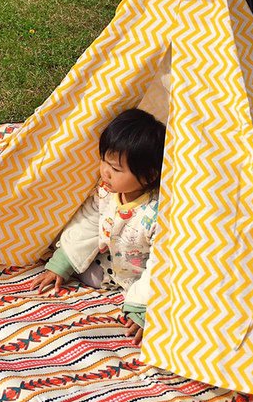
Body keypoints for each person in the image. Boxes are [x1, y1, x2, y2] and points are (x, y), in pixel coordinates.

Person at [31, 108, 166, 345]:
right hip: (110, 267)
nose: (105, 171)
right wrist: (63, 262)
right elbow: (89, 221)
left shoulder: (156, 213)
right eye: (104, 160)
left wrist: (143, 306)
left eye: (116, 169)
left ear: (148, 176)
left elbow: (162, 262)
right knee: (69, 263)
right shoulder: (107, 192)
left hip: (139, 277)